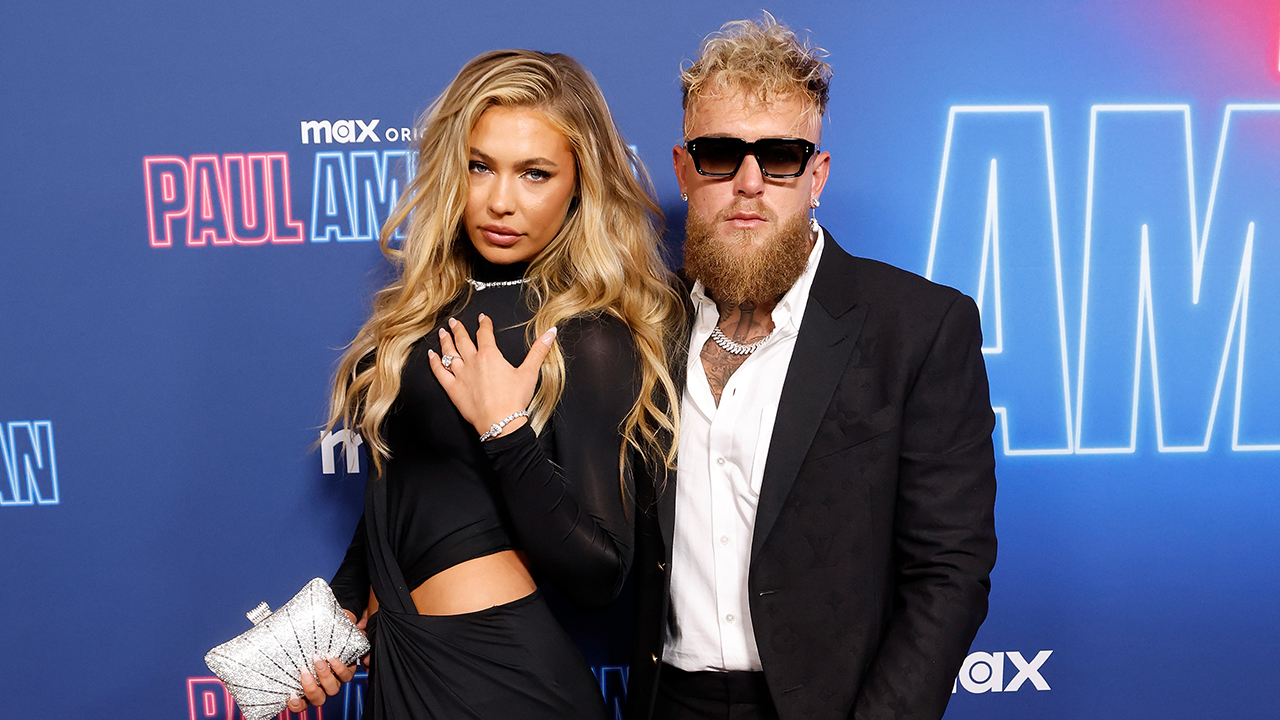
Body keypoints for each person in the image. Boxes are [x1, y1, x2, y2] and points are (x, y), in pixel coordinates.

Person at [290, 49, 683, 719]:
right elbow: (400, 490)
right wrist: (331, 627)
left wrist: (506, 431)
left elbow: (600, 574)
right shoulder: (420, 312)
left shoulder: (583, 335)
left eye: (535, 173)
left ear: (579, 185)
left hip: (501, 681)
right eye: (480, 166)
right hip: (403, 664)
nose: (501, 200)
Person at [627, 15, 998, 720]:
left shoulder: (918, 327)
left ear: (816, 174)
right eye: (718, 154)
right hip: (669, 702)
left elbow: (950, 573)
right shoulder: (640, 328)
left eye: (780, 157)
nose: (748, 182)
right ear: (683, 168)